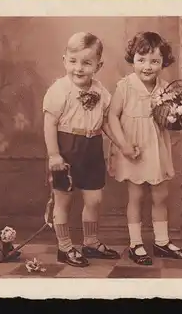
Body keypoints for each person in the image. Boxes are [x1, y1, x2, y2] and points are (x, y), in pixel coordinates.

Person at [107, 31, 182, 266]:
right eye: (141, 59)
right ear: (132, 59)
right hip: (133, 148)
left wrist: (179, 116)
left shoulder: (166, 88)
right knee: (136, 196)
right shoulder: (125, 87)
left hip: (155, 148)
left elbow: (168, 119)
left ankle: (162, 242)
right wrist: (123, 145)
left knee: (160, 195)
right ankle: (136, 243)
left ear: (163, 62)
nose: (147, 66)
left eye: (155, 61)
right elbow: (112, 117)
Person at [43, 32, 120, 268]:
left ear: (99, 65)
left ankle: (90, 242)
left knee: (94, 199)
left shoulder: (100, 91)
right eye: (73, 61)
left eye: (87, 63)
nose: (79, 68)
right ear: (64, 60)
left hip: (92, 147)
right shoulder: (59, 89)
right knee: (63, 200)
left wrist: (122, 144)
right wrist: (54, 155)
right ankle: (65, 247)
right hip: (66, 146)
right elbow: (50, 123)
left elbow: (106, 121)